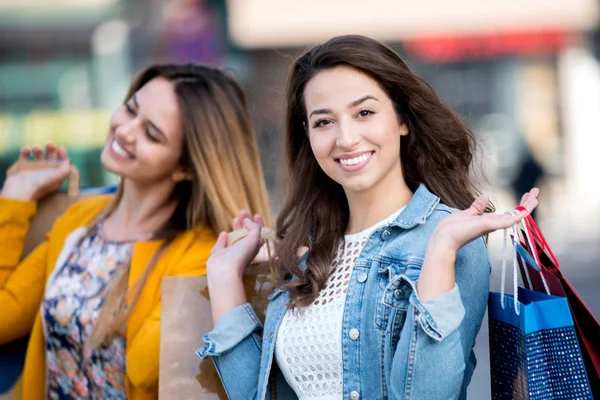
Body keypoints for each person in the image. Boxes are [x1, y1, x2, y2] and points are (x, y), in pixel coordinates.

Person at [198, 35, 539, 399]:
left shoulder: (449, 240)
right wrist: (223, 279)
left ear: (403, 119)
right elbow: (256, 394)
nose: (345, 139)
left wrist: (440, 253)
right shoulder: (309, 252)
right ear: (308, 136)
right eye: (324, 121)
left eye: (364, 113)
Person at [0, 63, 271, 400]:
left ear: (186, 167)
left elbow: (144, 370)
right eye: (130, 109)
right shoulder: (78, 222)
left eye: (151, 133)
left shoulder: (202, 254)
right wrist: (15, 197)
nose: (125, 131)